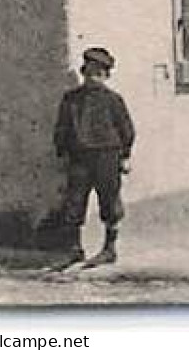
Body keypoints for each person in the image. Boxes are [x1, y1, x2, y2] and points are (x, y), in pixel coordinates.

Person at [53, 46, 135, 267]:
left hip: (107, 156)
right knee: (74, 203)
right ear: (83, 73)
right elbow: (62, 128)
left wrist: (125, 156)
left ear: (106, 76)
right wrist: (62, 154)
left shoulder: (113, 100)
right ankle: (74, 249)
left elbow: (127, 130)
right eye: (89, 73)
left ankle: (109, 249)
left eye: (98, 74)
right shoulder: (71, 100)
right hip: (79, 158)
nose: (93, 78)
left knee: (109, 202)